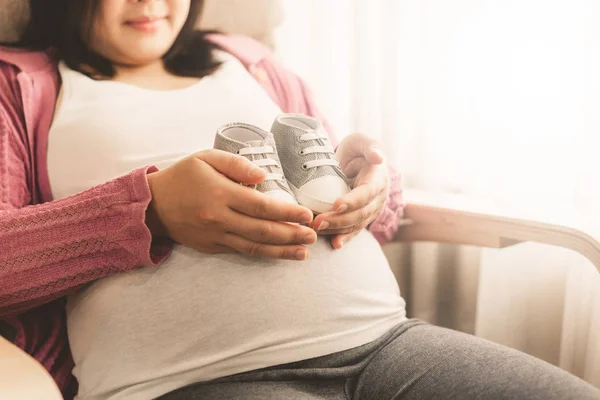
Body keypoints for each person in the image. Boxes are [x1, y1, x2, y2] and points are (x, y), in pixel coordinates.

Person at [0, 1, 598, 399]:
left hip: (387, 345)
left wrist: (372, 189)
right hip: (196, 378)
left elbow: (343, 207)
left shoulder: (251, 62)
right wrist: (151, 209)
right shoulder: (19, 83)